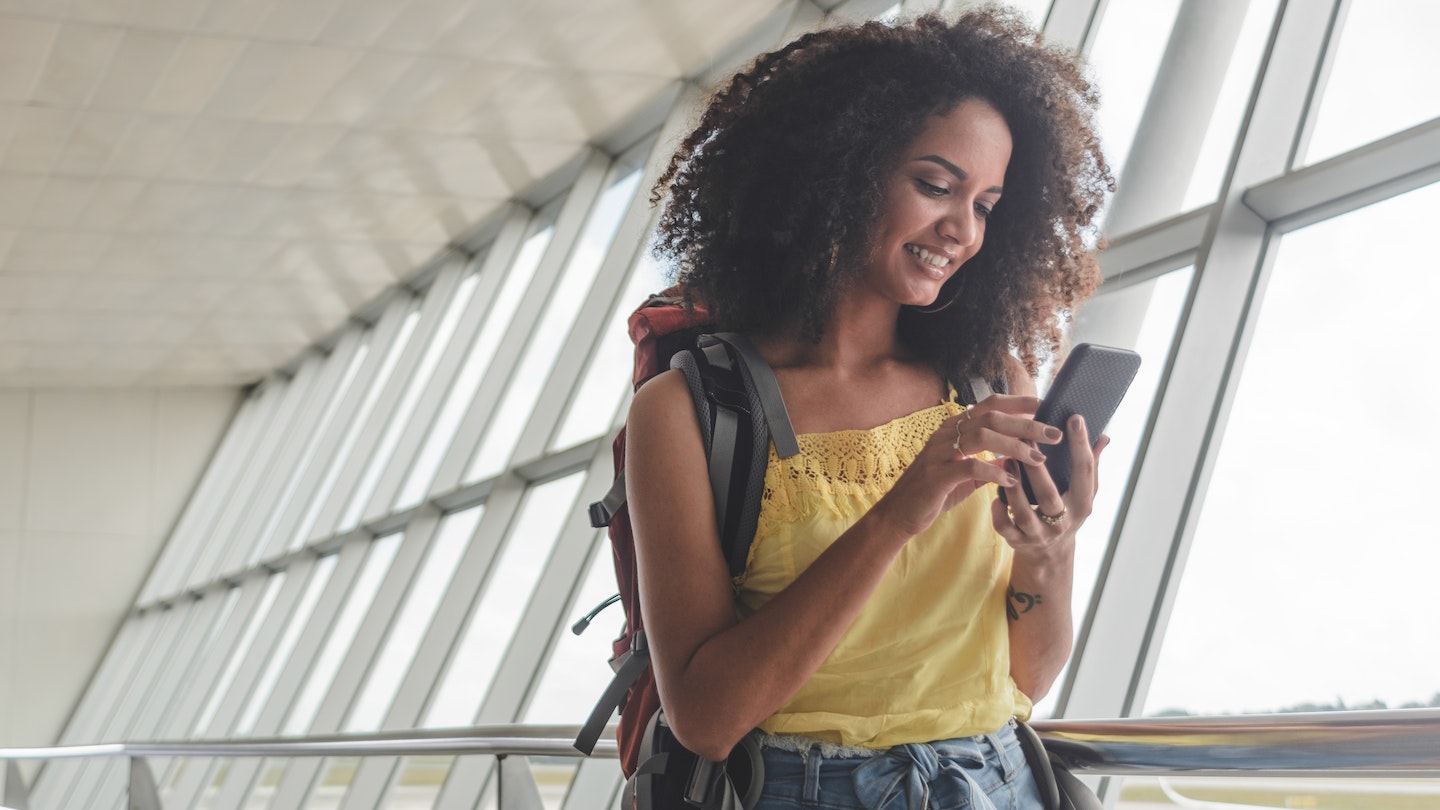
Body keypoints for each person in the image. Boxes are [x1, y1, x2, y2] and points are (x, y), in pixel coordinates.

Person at [624, 6, 1114, 808]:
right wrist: (900, 509)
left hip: (1000, 782)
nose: (962, 230)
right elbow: (707, 720)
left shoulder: (990, 380)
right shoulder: (691, 411)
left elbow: (1028, 676)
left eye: (987, 204)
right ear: (837, 172)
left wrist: (1051, 548)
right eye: (935, 185)